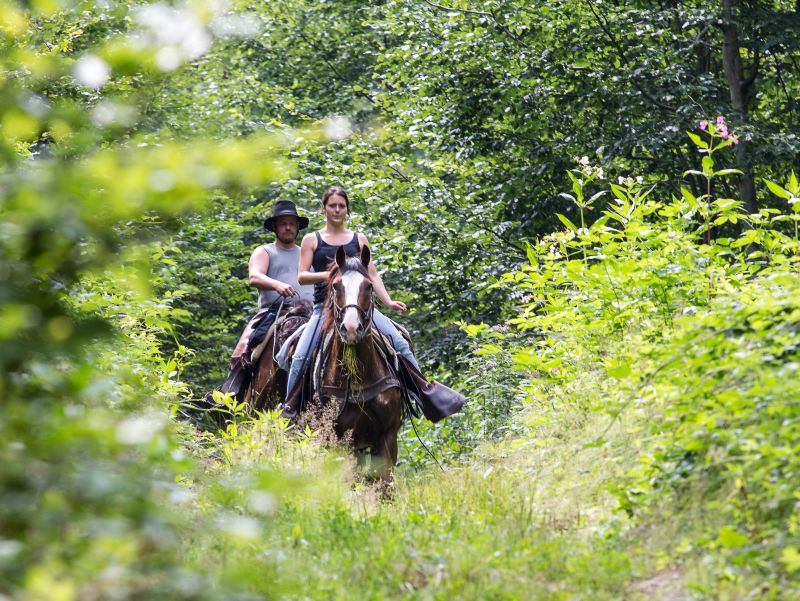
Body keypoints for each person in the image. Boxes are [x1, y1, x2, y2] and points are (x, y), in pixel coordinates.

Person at [284, 186, 420, 401]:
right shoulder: (312, 239)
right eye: (332, 206)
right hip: (325, 309)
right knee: (300, 356)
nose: (337, 210)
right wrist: (336, 276)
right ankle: (289, 408)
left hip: (362, 309)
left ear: (347, 210)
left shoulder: (359, 239)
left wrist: (388, 302)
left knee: (400, 342)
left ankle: (422, 395)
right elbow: (302, 276)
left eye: (342, 206)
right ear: (324, 209)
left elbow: (372, 276)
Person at [213, 200, 314, 401]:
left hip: (311, 314)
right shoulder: (265, 251)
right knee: (249, 349)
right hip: (277, 311)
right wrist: (277, 285)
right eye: (283, 223)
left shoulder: (307, 253)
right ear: (275, 227)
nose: (288, 227)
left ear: (297, 227)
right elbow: (254, 276)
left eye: (292, 223)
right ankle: (231, 393)